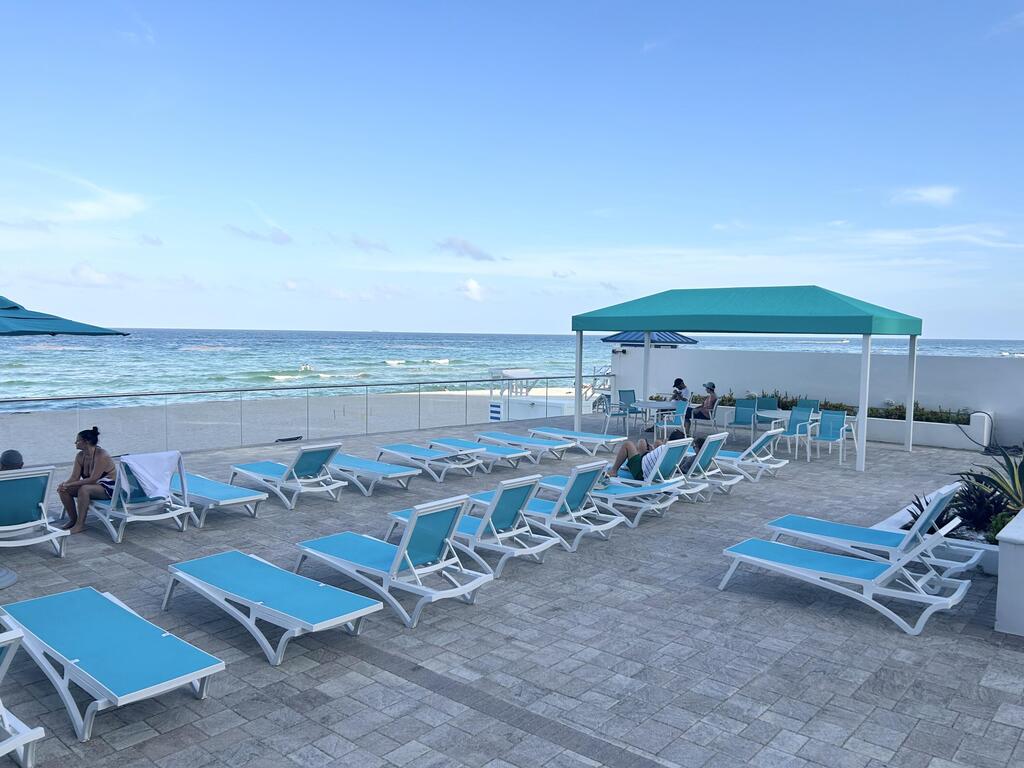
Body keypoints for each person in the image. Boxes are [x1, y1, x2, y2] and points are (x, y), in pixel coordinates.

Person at [57, 427, 116, 533]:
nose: (75, 443)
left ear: (86, 442)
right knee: (63, 490)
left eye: (77, 440)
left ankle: (80, 525)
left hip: (110, 488)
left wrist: (70, 484)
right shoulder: (80, 456)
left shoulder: (101, 455)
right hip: (94, 486)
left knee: (84, 489)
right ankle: (73, 520)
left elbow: (93, 479)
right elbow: (74, 477)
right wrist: (65, 484)